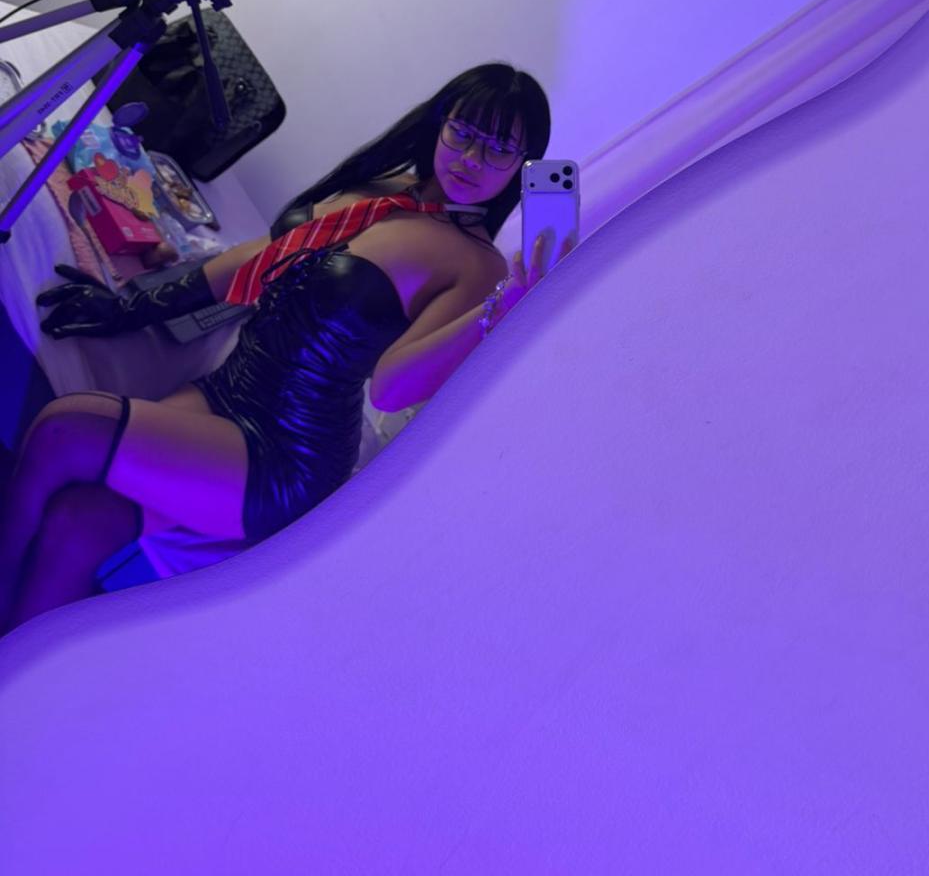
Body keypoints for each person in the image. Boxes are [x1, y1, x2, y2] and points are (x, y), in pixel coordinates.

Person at [0, 63, 575, 634]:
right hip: (228, 390)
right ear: (440, 123)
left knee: (65, 428)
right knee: (81, 520)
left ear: (523, 167)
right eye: (464, 133)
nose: (472, 159)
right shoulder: (382, 188)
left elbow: (391, 387)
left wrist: (502, 306)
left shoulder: (478, 266)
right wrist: (130, 309)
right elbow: (258, 256)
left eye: (499, 149)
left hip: (288, 453)